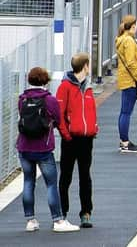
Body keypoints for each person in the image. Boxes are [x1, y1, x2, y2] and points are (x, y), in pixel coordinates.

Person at [16, 67, 80, 233]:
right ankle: (58, 221)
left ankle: (30, 220)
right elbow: (58, 120)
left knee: (28, 182)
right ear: (45, 81)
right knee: (51, 184)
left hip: (24, 147)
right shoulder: (49, 100)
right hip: (43, 148)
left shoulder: (22, 99)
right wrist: (67, 137)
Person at [56, 52, 97, 229]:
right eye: (89, 65)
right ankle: (62, 213)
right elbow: (59, 114)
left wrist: (94, 127)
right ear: (85, 66)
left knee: (85, 176)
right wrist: (66, 134)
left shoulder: (88, 87)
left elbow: (91, 109)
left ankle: (86, 212)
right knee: (66, 176)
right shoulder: (65, 87)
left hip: (87, 138)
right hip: (71, 138)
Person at [115, 14, 137, 153]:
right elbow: (130, 62)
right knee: (126, 112)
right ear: (133, 26)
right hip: (130, 80)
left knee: (124, 112)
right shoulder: (129, 41)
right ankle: (125, 142)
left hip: (125, 79)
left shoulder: (121, 39)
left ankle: (124, 141)